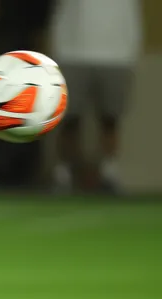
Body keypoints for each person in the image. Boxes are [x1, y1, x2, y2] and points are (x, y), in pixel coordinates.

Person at [49, 0, 143, 193]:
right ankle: (64, 176)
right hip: (72, 51)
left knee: (110, 119)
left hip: (118, 54)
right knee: (69, 119)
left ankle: (109, 173)